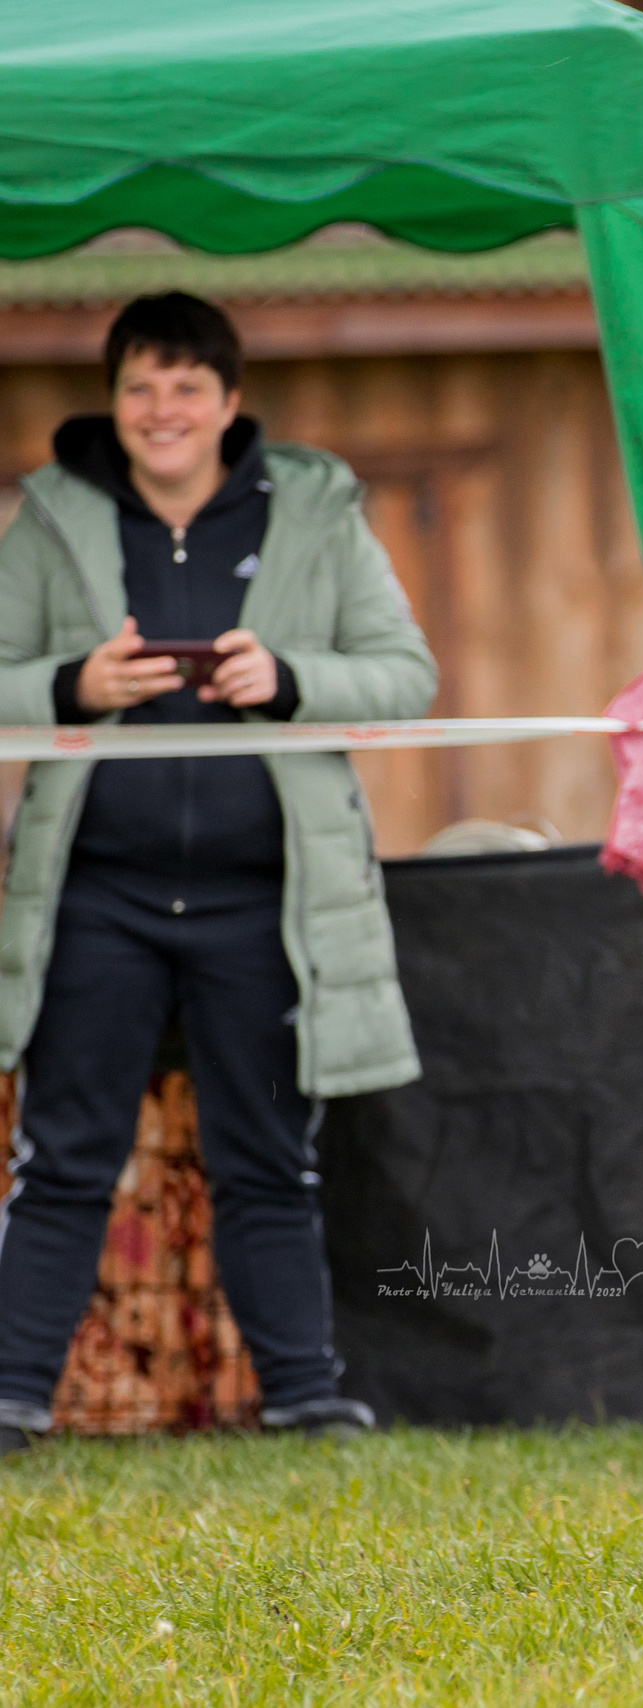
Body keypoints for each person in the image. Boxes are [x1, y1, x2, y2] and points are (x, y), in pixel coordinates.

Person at [0, 292, 437, 1458]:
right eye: (140, 386)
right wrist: (71, 687)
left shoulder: (317, 513)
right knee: (62, 1158)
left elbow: (404, 675)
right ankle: (11, 1397)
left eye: (187, 386)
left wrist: (289, 679)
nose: (163, 410)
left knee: (269, 1160)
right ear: (113, 401)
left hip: (267, 902)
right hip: (96, 897)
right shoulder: (51, 517)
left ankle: (303, 1398)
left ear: (229, 402)